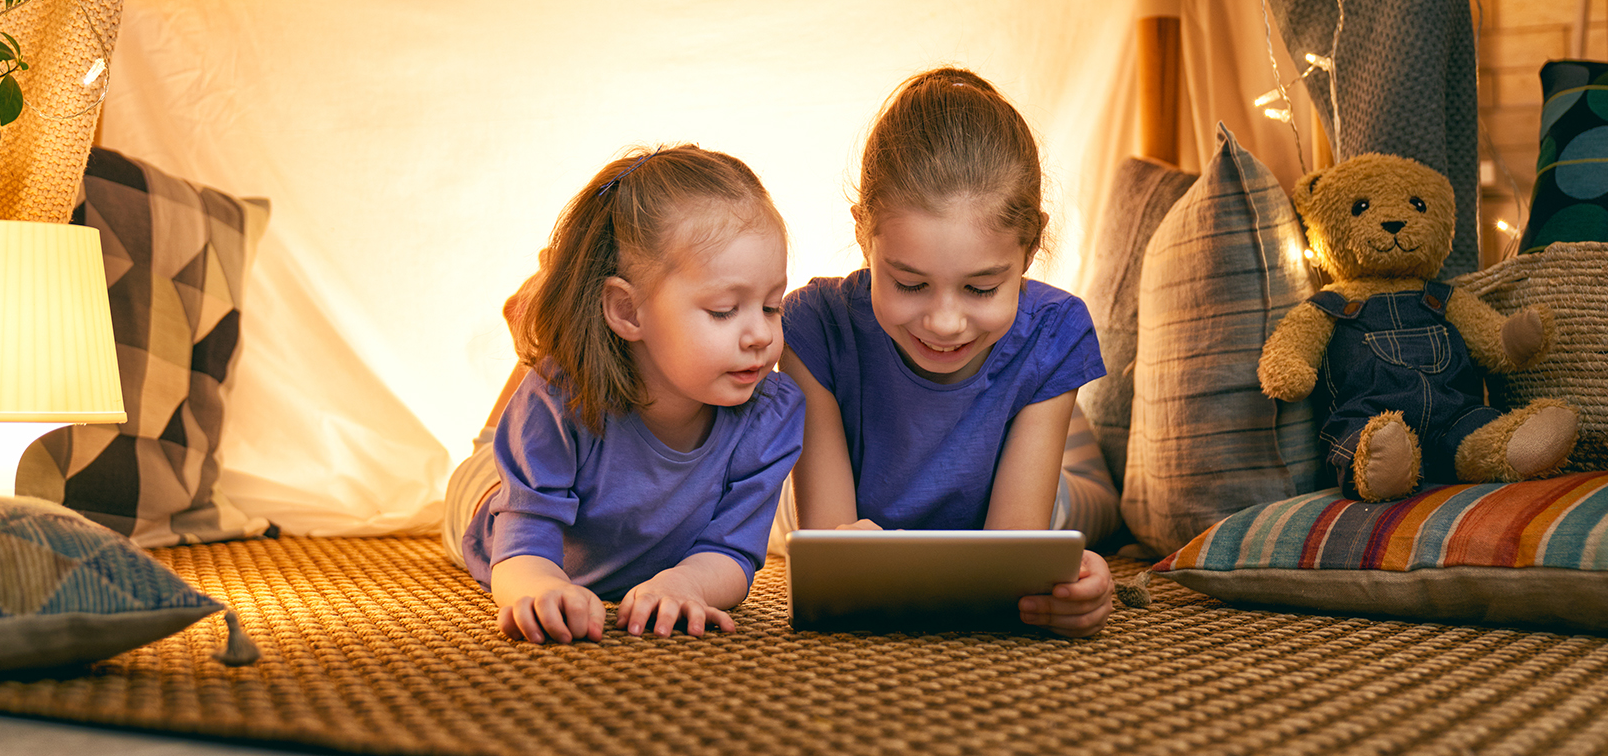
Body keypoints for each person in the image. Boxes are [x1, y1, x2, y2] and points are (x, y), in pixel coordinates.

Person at [779, 67, 1119, 638]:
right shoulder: (814, 326)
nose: (943, 322)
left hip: (1041, 481)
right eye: (909, 284)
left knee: (1092, 514)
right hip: (897, 469)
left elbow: (1013, 558)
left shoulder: (1055, 329)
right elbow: (836, 565)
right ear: (863, 232)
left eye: (981, 288)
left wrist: (1075, 581)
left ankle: (1052, 424)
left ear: (1032, 246)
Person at [441, 145, 804, 644]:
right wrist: (541, 585)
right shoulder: (560, 398)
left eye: (770, 306)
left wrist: (685, 584)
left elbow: (733, 551)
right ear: (629, 312)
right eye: (725, 310)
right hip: (493, 498)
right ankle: (546, 326)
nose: (760, 335)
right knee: (493, 452)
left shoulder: (772, 412)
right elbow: (522, 540)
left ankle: (555, 311)